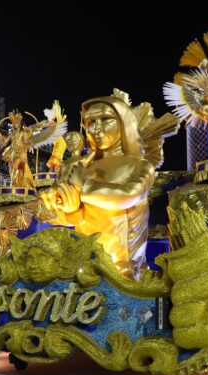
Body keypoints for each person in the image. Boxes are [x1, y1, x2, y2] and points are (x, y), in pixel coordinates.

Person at [38, 89, 177, 279]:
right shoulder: (81, 166)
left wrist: (85, 186)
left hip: (122, 273)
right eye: (91, 122)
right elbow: (67, 217)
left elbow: (128, 196)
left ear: (123, 124)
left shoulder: (140, 167)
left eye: (106, 119)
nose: (96, 128)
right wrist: (66, 208)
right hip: (81, 266)